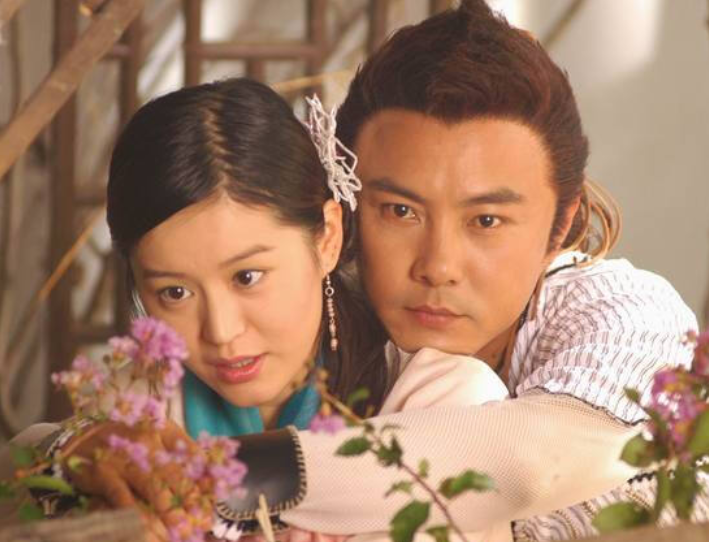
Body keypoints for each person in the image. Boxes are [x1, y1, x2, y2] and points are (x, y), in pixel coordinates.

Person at [7, 1, 703, 541]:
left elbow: (532, 461)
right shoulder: (320, 322)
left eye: (486, 221)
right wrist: (75, 449)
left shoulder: (621, 311)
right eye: (399, 210)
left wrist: (200, 473)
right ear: (342, 213)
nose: (436, 266)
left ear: (561, 224)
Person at [0, 77, 508, 540]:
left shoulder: (446, 404)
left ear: (327, 239)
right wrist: (68, 448)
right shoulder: (134, 413)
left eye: (247, 277)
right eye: (174, 293)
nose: (221, 332)